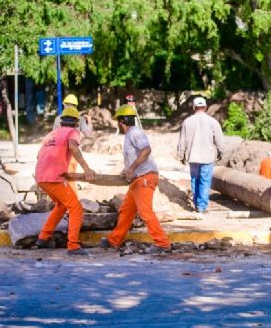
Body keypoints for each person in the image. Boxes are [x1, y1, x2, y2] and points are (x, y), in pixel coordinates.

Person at [100, 105, 172, 254]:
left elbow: (146, 150)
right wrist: (127, 169)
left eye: (118, 121)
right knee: (126, 210)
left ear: (122, 121)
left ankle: (162, 243)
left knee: (145, 212)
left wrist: (132, 168)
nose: (118, 124)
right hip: (137, 180)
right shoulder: (130, 135)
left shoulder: (135, 133)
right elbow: (136, 156)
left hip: (144, 178)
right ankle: (114, 240)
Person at [34, 107, 96, 255]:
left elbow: (39, 155)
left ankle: (43, 238)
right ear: (76, 123)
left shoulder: (52, 134)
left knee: (62, 206)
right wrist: (87, 169)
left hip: (41, 176)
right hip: (53, 178)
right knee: (76, 208)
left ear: (61, 121)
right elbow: (73, 147)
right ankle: (73, 245)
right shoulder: (73, 132)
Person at [177, 97, 225, 213]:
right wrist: (220, 152)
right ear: (205, 107)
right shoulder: (213, 122)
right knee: (205, 180)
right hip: (207, 157)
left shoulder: (187, 122)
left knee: (195, 179)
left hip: (193, 157)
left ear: (194, 107)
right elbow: (219, 140)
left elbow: (182, 141)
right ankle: (202, 206)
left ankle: (196, 203)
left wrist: (181, 155)